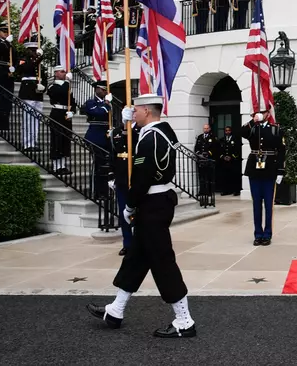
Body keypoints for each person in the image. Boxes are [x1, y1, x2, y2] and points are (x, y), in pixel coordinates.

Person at [87, 94, 196, 338]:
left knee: (162, 261)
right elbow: (131, 143)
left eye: (135, 109)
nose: (132, 112)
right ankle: (115, 310)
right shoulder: (162, 131)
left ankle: (184, 320)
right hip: (159, 201)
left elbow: (142, 178)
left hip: (152, 204)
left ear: (146, 110)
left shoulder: (150, 139)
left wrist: (130, 206)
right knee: (137, 257)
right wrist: (126, 127)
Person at [241, 108, 285, 246]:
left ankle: (267, 234)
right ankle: (258, 234)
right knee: (256, 203)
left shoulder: (275, 129)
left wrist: (280, 171)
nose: (260, 114)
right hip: (254, 168)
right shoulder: (252, 128)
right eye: (257, 112)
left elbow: (282, 151)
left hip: (270, 168)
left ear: (268, 114)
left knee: (268, 204)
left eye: (263, 112)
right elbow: (241, 133)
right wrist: (252, 122)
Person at [108, 123, 140, 256]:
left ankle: (139, 242)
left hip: (135, 177)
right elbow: (112, 154)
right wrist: (111, 174)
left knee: (137, 212)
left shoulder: (140, 130)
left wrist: (129, 131)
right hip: (121, 177)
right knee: (123, 212)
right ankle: (127, 243)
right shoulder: (116, 131)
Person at [82, 81, 113, 198]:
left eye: (106, 90)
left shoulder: (108, 103)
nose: (105, 92)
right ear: (97, 89)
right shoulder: (91, 102)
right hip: (95, 137)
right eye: (103, 89)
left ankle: (105, 192)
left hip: (106, 137)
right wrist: (106, 104)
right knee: (98, 166)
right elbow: (98, 113)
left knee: (107, 166)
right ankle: (96, 192)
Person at [0, 22, 18, 131]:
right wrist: (6, 43)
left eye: (7, 32)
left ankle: (4, 123)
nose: (6, 33)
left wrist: (14, 67)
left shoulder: (10, 44)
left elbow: (15, 57)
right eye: (4, 31)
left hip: (8, 73)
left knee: (7, 99)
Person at [47, 66, 77, 176]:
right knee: (57, 139)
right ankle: (56, 166)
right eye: (62, 71)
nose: (64, 73)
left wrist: (72, 111)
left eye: (65, 72)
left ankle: (63, 165)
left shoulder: (67, 86)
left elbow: (72, 101)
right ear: (56, 73)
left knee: (65, 138)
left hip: (66, 115)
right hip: (57, 114)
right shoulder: (52, 85)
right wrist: (67, 82)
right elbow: (59, 93)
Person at [18, 38, 46, 152]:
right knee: (28, 119)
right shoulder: (23, 60)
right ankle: (27, 143)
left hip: (37, 93)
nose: (35, 52)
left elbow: (43, 76)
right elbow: (26, 68)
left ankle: (33, 142)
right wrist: (38, 58)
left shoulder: (38, 64)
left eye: (36, 50)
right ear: (27, 50)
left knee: (36, 119)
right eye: (32, 50)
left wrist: (43, 87)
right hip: (27, 91)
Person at [194, 123, 217, 198]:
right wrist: (198, 153)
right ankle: (202, 191)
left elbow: (215, 148)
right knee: (201, 176)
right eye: (204, 128)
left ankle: (209, 191)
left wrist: (208, 153)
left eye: (207, 128)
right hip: (201, 160)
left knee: (209, 176)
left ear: (209, 129)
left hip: (208, 159)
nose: (205, 130)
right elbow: (196, 147)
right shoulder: (200, 137)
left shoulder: (213, 137)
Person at [217, 126, 241, 196]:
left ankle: (236, 190)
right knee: (225, 176)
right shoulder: (221, 140)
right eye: (226, 131)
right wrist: (223, 157)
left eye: (229, 130)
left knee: (234, 176)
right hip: (224, 161)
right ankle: (226, 190)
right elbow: (218, 150)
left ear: (231, 131)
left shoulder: (235, 139)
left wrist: (232, 157)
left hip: (233, 161)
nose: (227, 132)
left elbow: (238, 150)